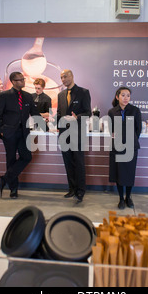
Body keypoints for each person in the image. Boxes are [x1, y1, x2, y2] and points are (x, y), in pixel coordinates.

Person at [0, 71, 39, 199]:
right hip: (9, 133)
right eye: (20, 80)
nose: (23, 81)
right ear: (13, 82)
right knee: (11, 160)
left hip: (24, 132)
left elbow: (34, 113)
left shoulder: (28, 96)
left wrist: (47, 127)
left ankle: (3, 179)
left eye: (23, 79)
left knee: (27, 157)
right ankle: (13, 190)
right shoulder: (4, 96)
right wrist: (0, 131)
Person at [57, 69, 91, 204]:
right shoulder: (60, 95)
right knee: (68, 162)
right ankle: (71, 188)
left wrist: (77, 117)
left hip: (77, 132)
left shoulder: (83, 92)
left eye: (65, 76)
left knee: (79, 162)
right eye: (61, 77)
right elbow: (59, 113)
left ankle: (80, 191)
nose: (63, 79)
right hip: (64, 133)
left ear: (72, 76)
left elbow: (88, 112)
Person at [108, 86, 142, 209]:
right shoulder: (112, 111)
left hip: (131, 147)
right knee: (119, 173)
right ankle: (121, 199)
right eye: (123, 95)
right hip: (117, 146)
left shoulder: (135, 110)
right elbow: (111, 130)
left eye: (128, 95)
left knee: (129, 173)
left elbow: (138, 130)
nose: (126, 98)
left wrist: (130, 140)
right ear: (117, 97)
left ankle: (128, 197)